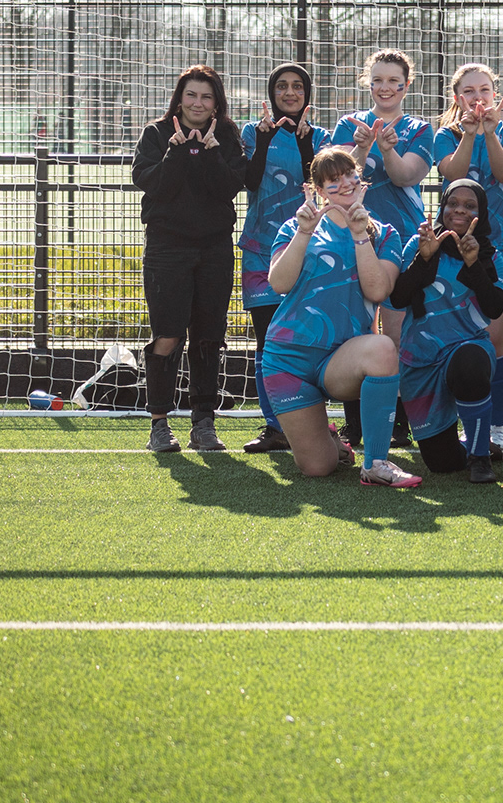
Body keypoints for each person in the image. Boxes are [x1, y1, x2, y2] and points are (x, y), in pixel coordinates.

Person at [259, 149, 422, 487]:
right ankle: (330, 439)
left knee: (382, 348)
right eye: (333, 180)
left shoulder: (385, 234)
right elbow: (278, 283)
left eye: (349, 175)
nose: (345, 183)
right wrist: (304, 232)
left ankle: (375, 464)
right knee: (318, 468)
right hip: (288, 359)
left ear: (360, 179)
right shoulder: (296, 226)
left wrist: (360, 233)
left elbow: (378, 291)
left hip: (340, 357)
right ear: (318, 189)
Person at [131, 65, 246, 455]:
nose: (198, 103)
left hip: (215, 249)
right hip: (167, 249)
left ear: (217, 103)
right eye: (191, 95)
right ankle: (160, 424)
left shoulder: (228, 136)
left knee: (208, 338)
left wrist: (212, 153)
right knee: (168, 335)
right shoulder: (156, 134)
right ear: (179, 99)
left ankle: (204, 423)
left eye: (206, 96)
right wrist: (176, 151)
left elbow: (229, 187)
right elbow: (154, 186)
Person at [329, 49, 435, 452]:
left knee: (394, 333)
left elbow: (406, 174)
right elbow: (339, 178)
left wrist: (386, 148)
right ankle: (355, 425)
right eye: (377, 80)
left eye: (393, 81)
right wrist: (359, 149)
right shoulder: (348, 124)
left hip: (399, 240)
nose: (385, 87)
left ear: (406, 86)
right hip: (351, 240)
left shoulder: (418, 128)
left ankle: (396, 424)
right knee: (355, 330)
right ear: (367, 83)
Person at [433, 63, 503, 458]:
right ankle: (457, 422)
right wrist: (469, 136)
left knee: (493, 334)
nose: (478, 97)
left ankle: (496, 426)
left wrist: (488, 132)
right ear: (458, 99)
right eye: (469, 91)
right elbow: (450, 170)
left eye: (484, 90)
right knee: (457, 333)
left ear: (495, 94)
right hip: (453, 247)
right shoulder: (446, 135)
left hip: (500, 246)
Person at [390, 178, 503, 483]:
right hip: (421, 360)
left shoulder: (489, 255)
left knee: (470, 361)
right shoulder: (418, 244)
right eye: (453, 203)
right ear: (442, 206)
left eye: (470, 206)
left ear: (480, 214)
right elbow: (398, 298)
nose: (459, 210)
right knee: (441, 463)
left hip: (467, 347)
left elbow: (494, 308)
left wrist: (473, 265)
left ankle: (480, 456)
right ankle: (467, 445)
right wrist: (425, 258)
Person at [237, 61, 318, 455]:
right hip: (259, 250)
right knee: (266, 340)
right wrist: (267, 142)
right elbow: (247, 182)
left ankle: (309, 420)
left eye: (297, 87)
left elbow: (318, 184)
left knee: (302, 338)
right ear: (271, 94)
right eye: (282, 86)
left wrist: (305, 145)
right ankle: (274, 426)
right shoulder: (253, 133)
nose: (289, 93)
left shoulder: (319, 136)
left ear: (307, 94)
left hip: (305, 250)